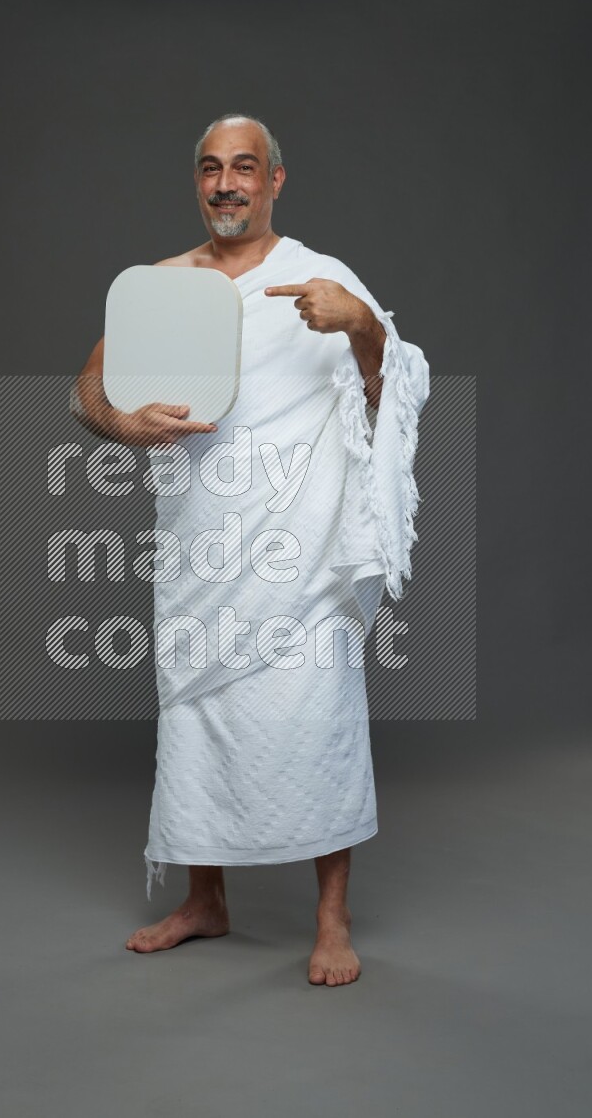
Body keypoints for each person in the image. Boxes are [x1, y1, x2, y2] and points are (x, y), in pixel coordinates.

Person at [71, 113, 429, 986]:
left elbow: (396, 388)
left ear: (275, 179)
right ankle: (206, 899)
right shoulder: (162, 285)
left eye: (244, 167)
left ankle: (331, 918)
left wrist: (361, 327)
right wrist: (124, 419)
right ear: (197, 182)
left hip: (301, 551)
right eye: (209, 169)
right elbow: (85, 389)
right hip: (202, 544)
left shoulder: (323, 276)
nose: (225, 183)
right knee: (198, 720)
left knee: (320, 719)